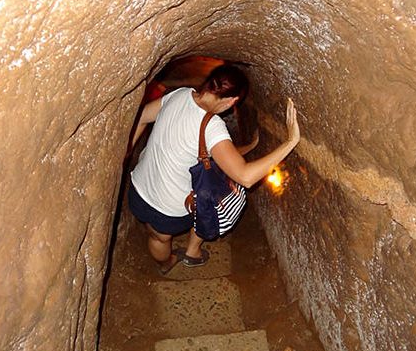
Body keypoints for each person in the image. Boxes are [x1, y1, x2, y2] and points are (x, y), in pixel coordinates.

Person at [128, 65, 300, 274]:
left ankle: (170, 260)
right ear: (232, 101)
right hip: (168, 209)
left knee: (154, 235)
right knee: (198, 207)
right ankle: (181, 256)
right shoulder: (212, 126)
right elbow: (245, 177)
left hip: (137, 188)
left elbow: (143, 117)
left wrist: (127, 153)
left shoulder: (178, 94)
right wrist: (290, 142)